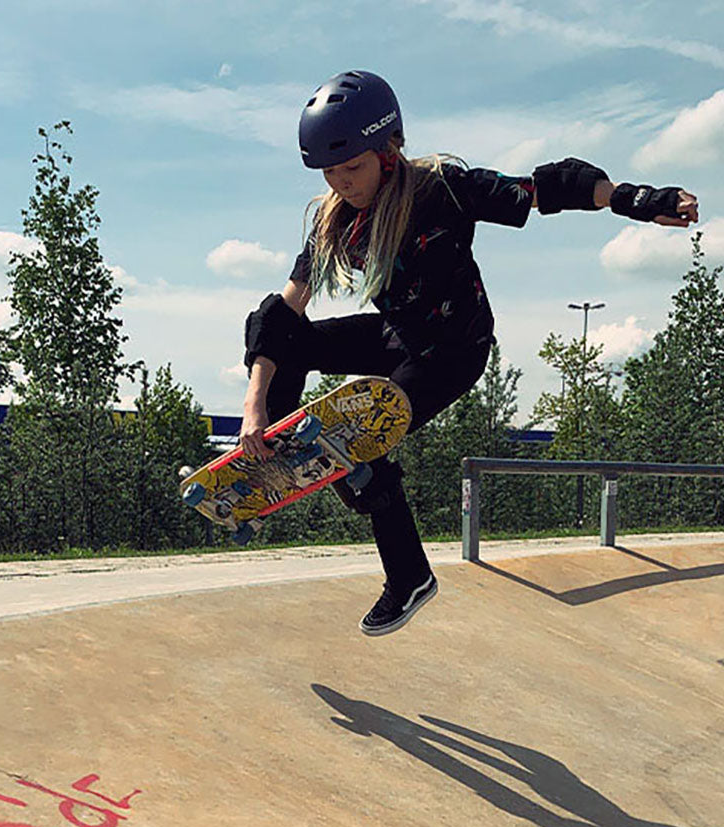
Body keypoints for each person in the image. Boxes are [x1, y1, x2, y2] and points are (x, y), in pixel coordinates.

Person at [239, 69, 697, 636]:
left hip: (455, 352)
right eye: (330, 172)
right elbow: (281, 315)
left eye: (351, 168)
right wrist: (256, 406)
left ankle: (408, 575)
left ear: (388, 149)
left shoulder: (442, 189)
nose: (342, 183)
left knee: (362, 445)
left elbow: (546, 187)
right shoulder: (335, 219)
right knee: (291, 343)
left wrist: (635, 199)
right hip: (398, 336)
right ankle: (279, 453)